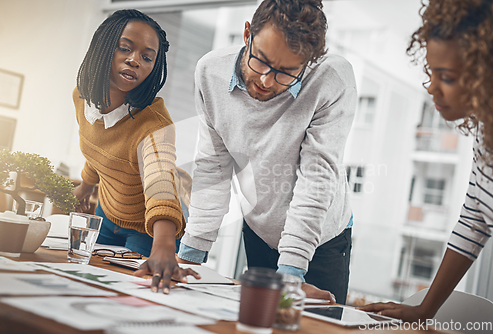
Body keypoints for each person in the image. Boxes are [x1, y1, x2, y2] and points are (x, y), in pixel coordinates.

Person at [177, 0, 357, 304]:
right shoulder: (210, 72)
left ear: (309, 62)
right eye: (260, 60)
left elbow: (316, 180)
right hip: (260, 227)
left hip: (321, 240)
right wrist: (190, 256)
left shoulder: (332, 80)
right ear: (247, 33)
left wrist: (290, 273)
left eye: (286, 72)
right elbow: (214, 167)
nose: (265, 80)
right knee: (257, 320)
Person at [359, 0, 493, 321]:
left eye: (446, 77)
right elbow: (475, 218)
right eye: (432, 72)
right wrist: (425, 310)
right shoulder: (486, 133)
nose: (432, 88)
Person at [72, 9, 198, 294]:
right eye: (125, 48)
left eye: (147, 57)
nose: (134, 60)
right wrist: (85, 187)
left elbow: (160, 180)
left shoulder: (153, 124)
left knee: (129, 295)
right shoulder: (81, 97)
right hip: (108, 210)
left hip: (152, 228)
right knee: (87, 285)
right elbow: (99, 148)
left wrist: (164, 245)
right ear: (103, 47)